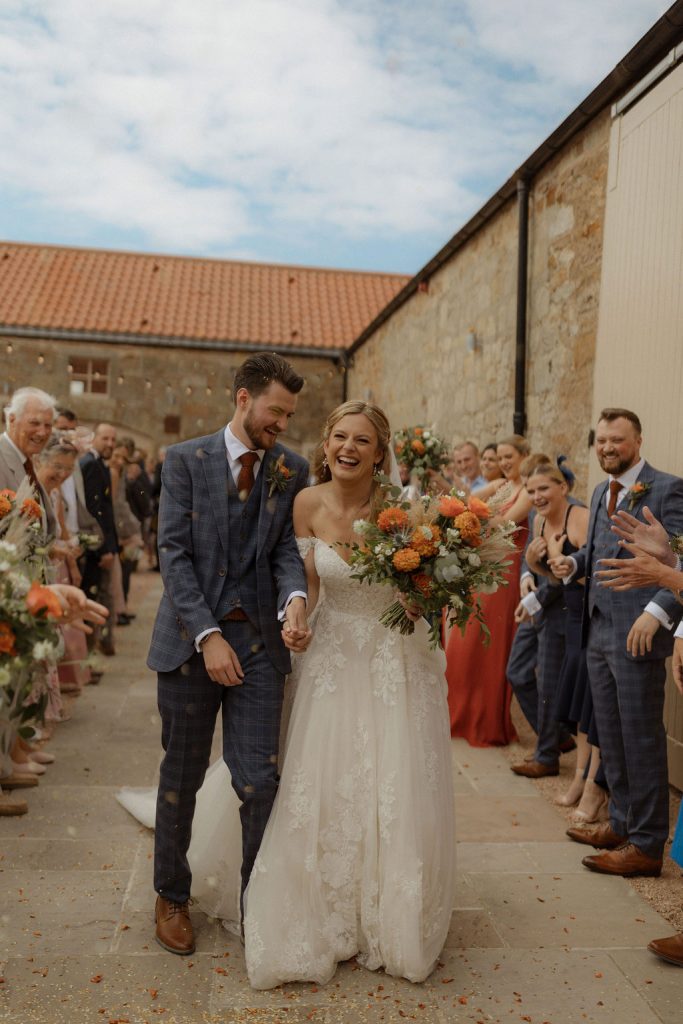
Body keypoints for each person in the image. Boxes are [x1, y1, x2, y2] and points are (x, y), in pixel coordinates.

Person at [120, 399, 455, 986]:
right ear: (326, 444)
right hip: (326, 655)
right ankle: (197, 894)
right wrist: (295, 618)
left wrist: (417, 599)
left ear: (381, 455)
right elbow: (300, 578)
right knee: (311, 778)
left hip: (389, 658)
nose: (348, 449)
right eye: (340, 437)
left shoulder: (404, 511)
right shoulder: (305, 500)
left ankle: (377, 907)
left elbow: (426, 591)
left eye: (363, 441)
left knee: (386, 779)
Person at [148, 352, 310, 958]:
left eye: (290, 415)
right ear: (243, 399)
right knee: (181, 778)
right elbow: (174, 555)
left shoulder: (291, 468)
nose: (283, 425)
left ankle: (256, 902)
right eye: (276, 411)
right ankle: (170, 894)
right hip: (193, 644)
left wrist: (294, 599)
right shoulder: (184, 459)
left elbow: (286, 551)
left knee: (260, 780)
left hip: (261, 646)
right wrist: (208, 635)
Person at [551, 408, 683, 877]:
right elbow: (598, 551)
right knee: (611, 735)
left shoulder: (667, 488)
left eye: (617, 440)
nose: (608, 448)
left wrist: (657, 614)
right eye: (602, 440)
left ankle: (647, 845)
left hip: (639, 631)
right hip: (598, 629)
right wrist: (574, 565)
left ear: (638, 441)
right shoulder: (600, 490)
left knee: (641, 737)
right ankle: (623, 823)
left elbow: (681, 558)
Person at [443, 435, 532, 746]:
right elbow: (466, 499)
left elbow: (504, 522)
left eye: (510, 457)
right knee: (464, 645)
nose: (505, 463)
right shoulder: (502, 485)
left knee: (488, 646)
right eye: (502, 457)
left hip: (506, 572)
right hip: (485, 566)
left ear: (525, 456)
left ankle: (487, 722)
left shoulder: (527, 490)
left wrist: (476, 516)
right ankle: (460, 716)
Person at [509, 460, 592, 785]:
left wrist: (535, 600)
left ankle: (548, 754)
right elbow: (533, 560)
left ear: (563, 487)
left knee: (553, 683)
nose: (536, 495)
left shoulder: (580, 515)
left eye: (543, 488)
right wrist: (528, 573)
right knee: (522, 674)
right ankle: (553, 741)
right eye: (530, 490)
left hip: (567, 611)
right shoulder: (535, 515)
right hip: (543, 605)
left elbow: (578, 573)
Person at [80, 423, 119, 655]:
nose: (110, 444)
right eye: (105, 438)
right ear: (94, 438)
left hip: (103, 544)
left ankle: (95, 650)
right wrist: (104, 548)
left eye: (113, 440)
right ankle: (89, 655)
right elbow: (94, 510)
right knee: (95, 600)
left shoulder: (99, 464)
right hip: (96, 548)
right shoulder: (90, 464)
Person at [0, 386, 57, 538]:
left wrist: (49, 551)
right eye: (34, 423)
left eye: (48, 425)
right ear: (12, 420)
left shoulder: (27, 462)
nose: (42, 432)